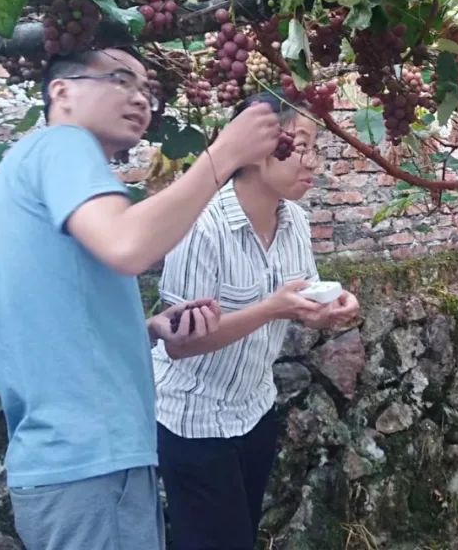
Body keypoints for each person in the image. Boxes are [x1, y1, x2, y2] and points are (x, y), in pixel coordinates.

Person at [0, 47, 281, 550]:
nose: (139, 98)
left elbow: (53, 321)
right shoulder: (62, 145)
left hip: (72, 462)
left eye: (146, 89)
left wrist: (147, 329)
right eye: (120, 80)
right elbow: (127, 246)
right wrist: (225, 154)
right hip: (91, 459)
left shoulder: (32, 168)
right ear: (62, 91)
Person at [152, 91, 360, 550]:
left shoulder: (296, 221)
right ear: (256, 147)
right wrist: (273, 308)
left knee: (241, 535)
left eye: (316, 149)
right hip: (194, 421)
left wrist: (333, 310)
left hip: (253, 409)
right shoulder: (200, 224)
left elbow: (303, 302)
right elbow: (179, 343)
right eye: (301, 145)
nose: (313, 163)